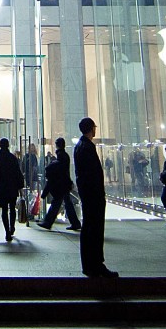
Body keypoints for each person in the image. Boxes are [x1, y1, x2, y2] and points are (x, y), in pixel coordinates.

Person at [73, 117, 116, 278]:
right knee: (95, 229)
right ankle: (96, 264)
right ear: (92, 128)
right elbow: (92, 174)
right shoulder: (87, 147)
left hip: (88, 193)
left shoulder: (80, 146)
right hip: (93, 194)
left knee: (88, 228)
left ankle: (89, 264)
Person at [38, 137, 82, 231]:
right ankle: (74, 222)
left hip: (62, 183)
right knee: (66, 203)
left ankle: (48, 222)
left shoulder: (61, 156)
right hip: (64, 183)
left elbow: (61, 170)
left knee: (57, 202)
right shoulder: (64, 155)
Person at [0, 138, 24, 241]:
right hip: (12, 186)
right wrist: (20, 186)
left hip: (1, 186)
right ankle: (12, 227)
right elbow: (18, 173)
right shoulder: (13, 158)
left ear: (0, 145)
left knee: (4, 210)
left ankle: (7, 232)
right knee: (12, 208)